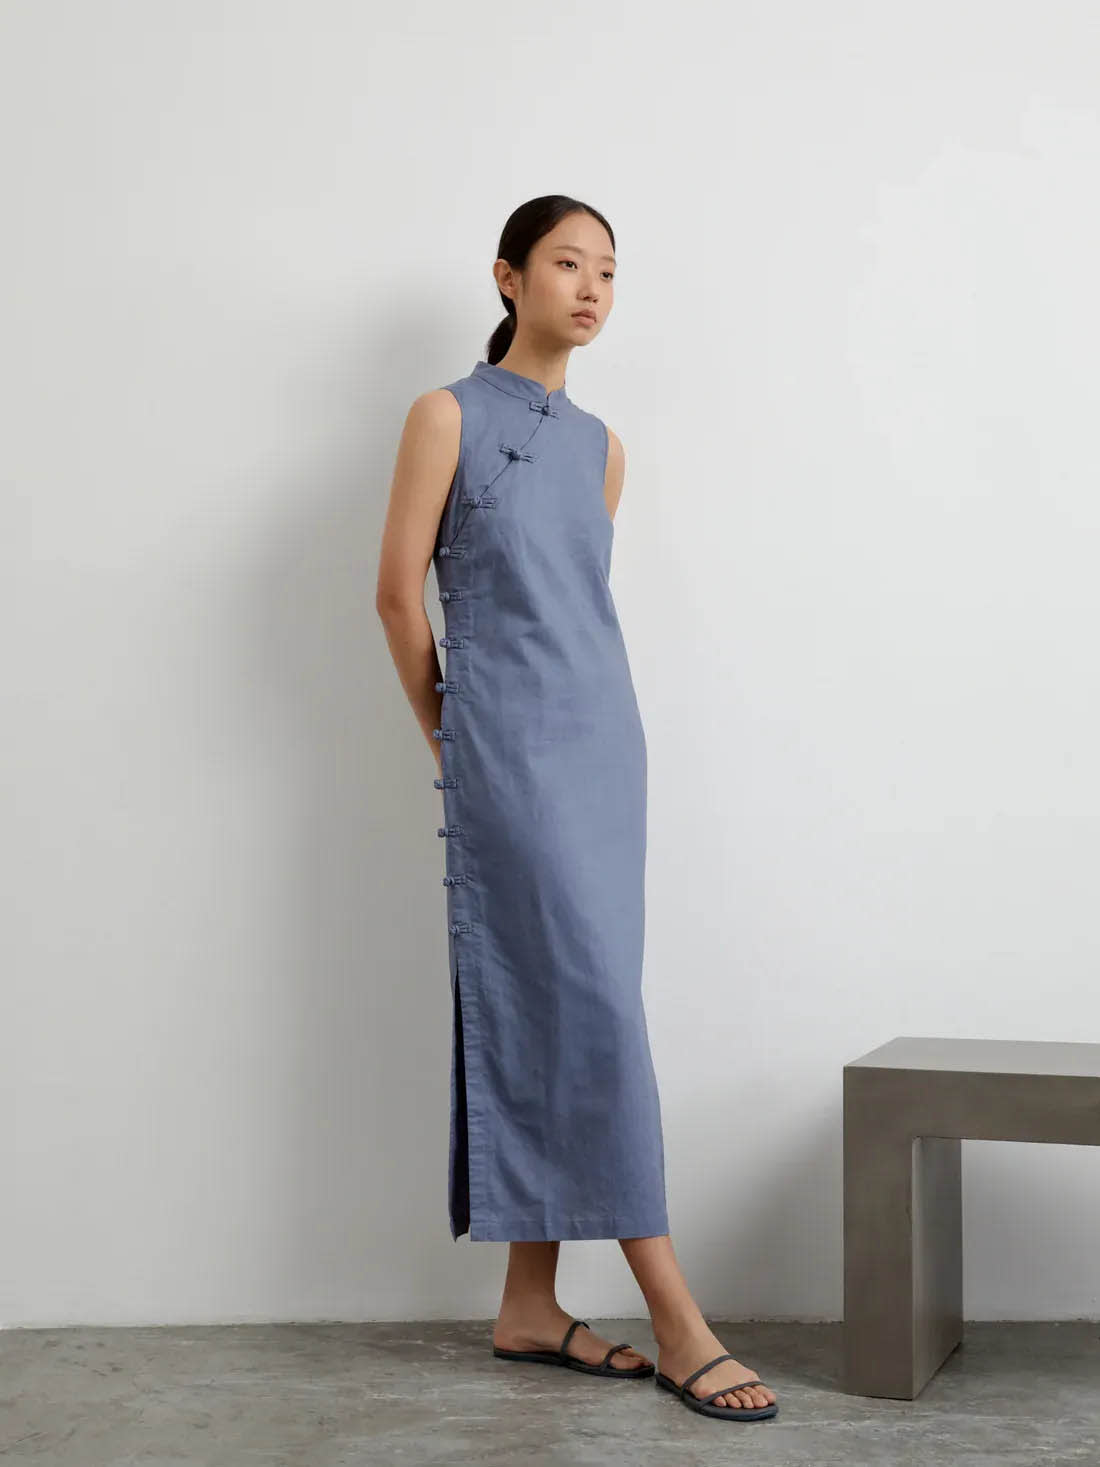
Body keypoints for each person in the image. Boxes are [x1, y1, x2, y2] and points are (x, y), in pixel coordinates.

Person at [375, 195, 778, 1424]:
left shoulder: (603, 447)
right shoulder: (445, 415)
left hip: (605, 752)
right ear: (507, 277)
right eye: (566, 262)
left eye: (608, 269)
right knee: (592, 1011)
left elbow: (572, 611)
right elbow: (397, 596)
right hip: (505, 756)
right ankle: (675, 1316)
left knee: (567, 1000)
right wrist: (451, 735)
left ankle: (528, 1304)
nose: (591, 286)